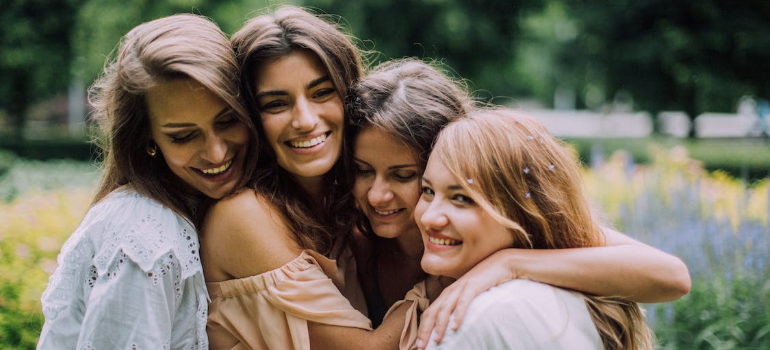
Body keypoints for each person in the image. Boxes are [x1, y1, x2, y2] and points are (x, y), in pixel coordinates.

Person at [348, 58, 690, 339]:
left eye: (404, 175)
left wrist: (510, 262)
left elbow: (670, 276)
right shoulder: (355, 241)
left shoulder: (498, 229)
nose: (377, 195)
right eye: (363, 170)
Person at [37, 14, 257, 349]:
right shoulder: (145, 238)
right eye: (183, 137)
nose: (216, 152)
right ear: (147, 139)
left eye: (228, 120)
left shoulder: (206, 207)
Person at [200, 6, 408, 349]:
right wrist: (444, 283)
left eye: (321, 93)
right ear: (250, 118)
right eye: (276, 104)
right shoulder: (243, 214)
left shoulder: (348, 205)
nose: (305, 120)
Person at [415, 109, 655, 349]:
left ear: (521, 212)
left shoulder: (465, 323)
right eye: (428, 191)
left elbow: (672, 275)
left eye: (462, 198)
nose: (430, 218)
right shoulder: (575, 293)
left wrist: (511, 263)